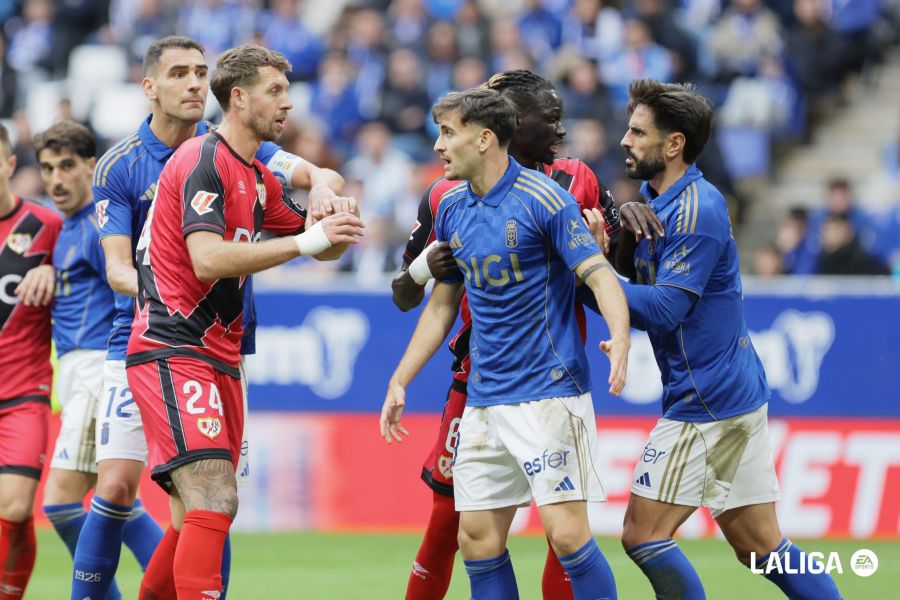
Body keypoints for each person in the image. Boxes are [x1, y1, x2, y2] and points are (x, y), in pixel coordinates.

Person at [72, 35, 356, 600]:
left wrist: (335, 220)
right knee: (202, 495)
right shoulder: (200, 159)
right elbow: (207, 259)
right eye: (275, 91)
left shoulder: (252, 172)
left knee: (200, 513)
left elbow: (314, 237)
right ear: (241, 98)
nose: (287, 103)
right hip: (171, 347)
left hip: (221, 356)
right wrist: (307, 244)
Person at [388, 69, 660, 600]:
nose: (438, 144)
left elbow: (604, 274)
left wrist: (622, 331)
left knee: (565, 534)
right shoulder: (448, 201)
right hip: (480, 386)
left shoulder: (559, 190)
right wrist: (401, 375)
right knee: (468, 532)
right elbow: (428, 300)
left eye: (447, 133)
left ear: (486, 134)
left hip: (548, 386)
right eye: (548, 114)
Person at [605, 79, 842, 599]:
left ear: (674, 145)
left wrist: (587, 277)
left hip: (706, 399)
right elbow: (640, 280)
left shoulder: (698, 210)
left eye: (638, 132)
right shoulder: (654, 199)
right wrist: (618, 233)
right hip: (730, 390)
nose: (625, 139)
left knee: (643, 535)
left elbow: (665, 309)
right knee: (760, 546)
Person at [32, 121, 134, 600]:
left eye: (67, 166)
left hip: (99, 367)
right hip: (76, 375)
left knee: (61, 502)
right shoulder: (67, 228)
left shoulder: (97, 226)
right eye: (48, 168)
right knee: (115, 499)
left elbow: (127, 291)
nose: (56, 179)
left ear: (91, 166)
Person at [0, 122, 61, 599]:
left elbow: (88, 270)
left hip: (24, 393)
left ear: (8, 163)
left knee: (17, 507)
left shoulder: (46, 227)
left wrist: (56, 276)